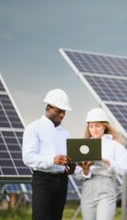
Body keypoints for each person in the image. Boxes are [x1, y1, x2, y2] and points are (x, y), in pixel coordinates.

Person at [22, 88, 76, 220]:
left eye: (64, 112)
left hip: (62, 181)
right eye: (59, 111)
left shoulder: (66, 134)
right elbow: (28, 157)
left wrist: (70, 167)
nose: (62, 115)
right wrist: (52, 160)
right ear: (48, 108)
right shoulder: (34, 128)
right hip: (43, 181)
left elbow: (65, 160)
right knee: (40, 217)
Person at [74, 107, 127, 220]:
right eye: (91, 126)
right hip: (87, 188)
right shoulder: (83, 145)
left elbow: (125, 167)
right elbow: (77, 173)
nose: (94, 129)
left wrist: (110, 163)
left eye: (97, 126)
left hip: (106, 187)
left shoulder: (114, 145)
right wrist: (85, 170)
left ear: (104, 126)